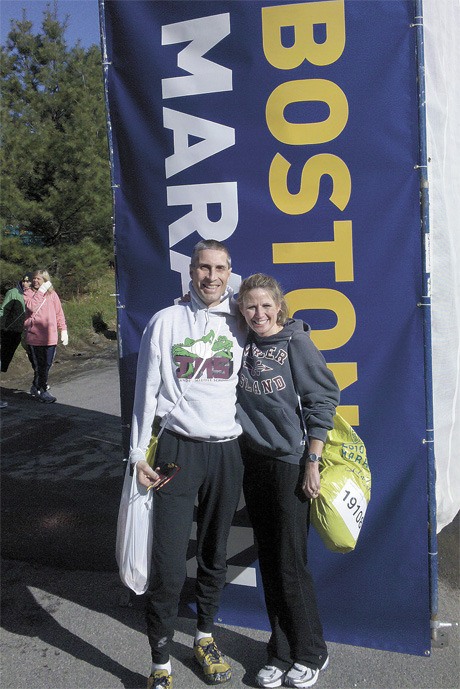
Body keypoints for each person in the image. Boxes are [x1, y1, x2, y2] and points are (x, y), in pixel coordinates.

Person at [130, 239, 246, 689]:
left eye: (219, 268)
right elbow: (145, 393)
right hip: (178, 452)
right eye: (203, 267)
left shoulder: (241, 322)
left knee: (216, 554)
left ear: (229, 272)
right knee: (170, 565)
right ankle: (160, 660)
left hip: (226, 452)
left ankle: (204, 635)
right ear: (191, 271)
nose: (211, 276)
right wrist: (139, 453)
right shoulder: (166, 322)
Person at [236, 273, 340, 689]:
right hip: (252, 461)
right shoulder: (241, 342)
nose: (259, 313)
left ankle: (312, 652)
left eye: (265, 305)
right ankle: (279, 651)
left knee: (291, 562)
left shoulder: (296, 343)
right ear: (241, 310)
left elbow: (323, 399)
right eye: (250, 306)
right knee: (270, 560)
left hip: (290, 463)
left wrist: (312, 460)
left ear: (279, 306)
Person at [23, 269, 68, 404]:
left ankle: (36, 386)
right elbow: (31, 306)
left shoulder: (52, 295)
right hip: (34, 337)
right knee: (40, 366)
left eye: (39, 279)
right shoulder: (28, 293)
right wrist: (41, 291)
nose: (35, 281)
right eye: (34, 279)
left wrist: (63, 330)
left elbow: (59, 313)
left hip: (50, 337)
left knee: (47, 365)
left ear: (45, 280)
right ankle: (43, 390)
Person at [0, 272, 32, 375]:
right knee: (4, 355)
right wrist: (1, 326)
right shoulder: (13, 292)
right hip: (9, 330)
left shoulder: (34, 295)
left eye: (28, 281)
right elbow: (3, 310)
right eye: (24, 281)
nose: (25, 283)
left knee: (32, 354)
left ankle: (39, 381)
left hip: (25, 331)